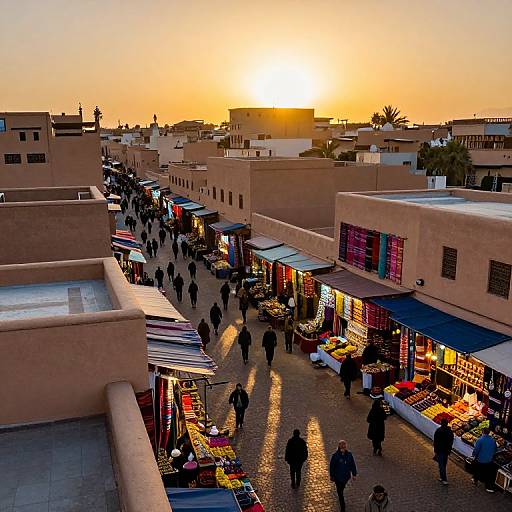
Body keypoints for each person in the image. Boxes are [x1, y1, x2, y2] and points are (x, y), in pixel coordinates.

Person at [329, 440, 357, 512]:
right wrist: (332, 476)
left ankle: (341, 493)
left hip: (346, 477)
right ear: (339, 446)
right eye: (341, 446)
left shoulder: (349, 455)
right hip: (337, 477)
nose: (343, 447)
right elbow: (332, 467)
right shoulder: (335, 456)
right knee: (340, 492)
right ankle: (342, 507)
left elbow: (352, 464)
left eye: (344, 446)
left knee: (341, 488)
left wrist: (354, 474)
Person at [472, 427, 497, 492]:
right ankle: (487, 487)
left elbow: (476, 450)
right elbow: (495, 449)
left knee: (477, 469)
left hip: (480, 459)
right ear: (489, 433)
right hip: (489, 459)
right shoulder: (493, 440)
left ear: (482, 432)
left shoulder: (480, 440)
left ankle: (475, 480)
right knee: (487, 473)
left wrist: (474, 455)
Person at [433, 418, 454, 485]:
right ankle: (442, 477)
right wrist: (449, 449)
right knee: (444, 464)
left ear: (441, 423)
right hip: (446, 450)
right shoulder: (450, 431)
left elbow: (435, 441)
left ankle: (444, 479)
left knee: (441, 465)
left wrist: (435, 450)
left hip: (440, 450)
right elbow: (451, 441)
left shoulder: (438, 430)